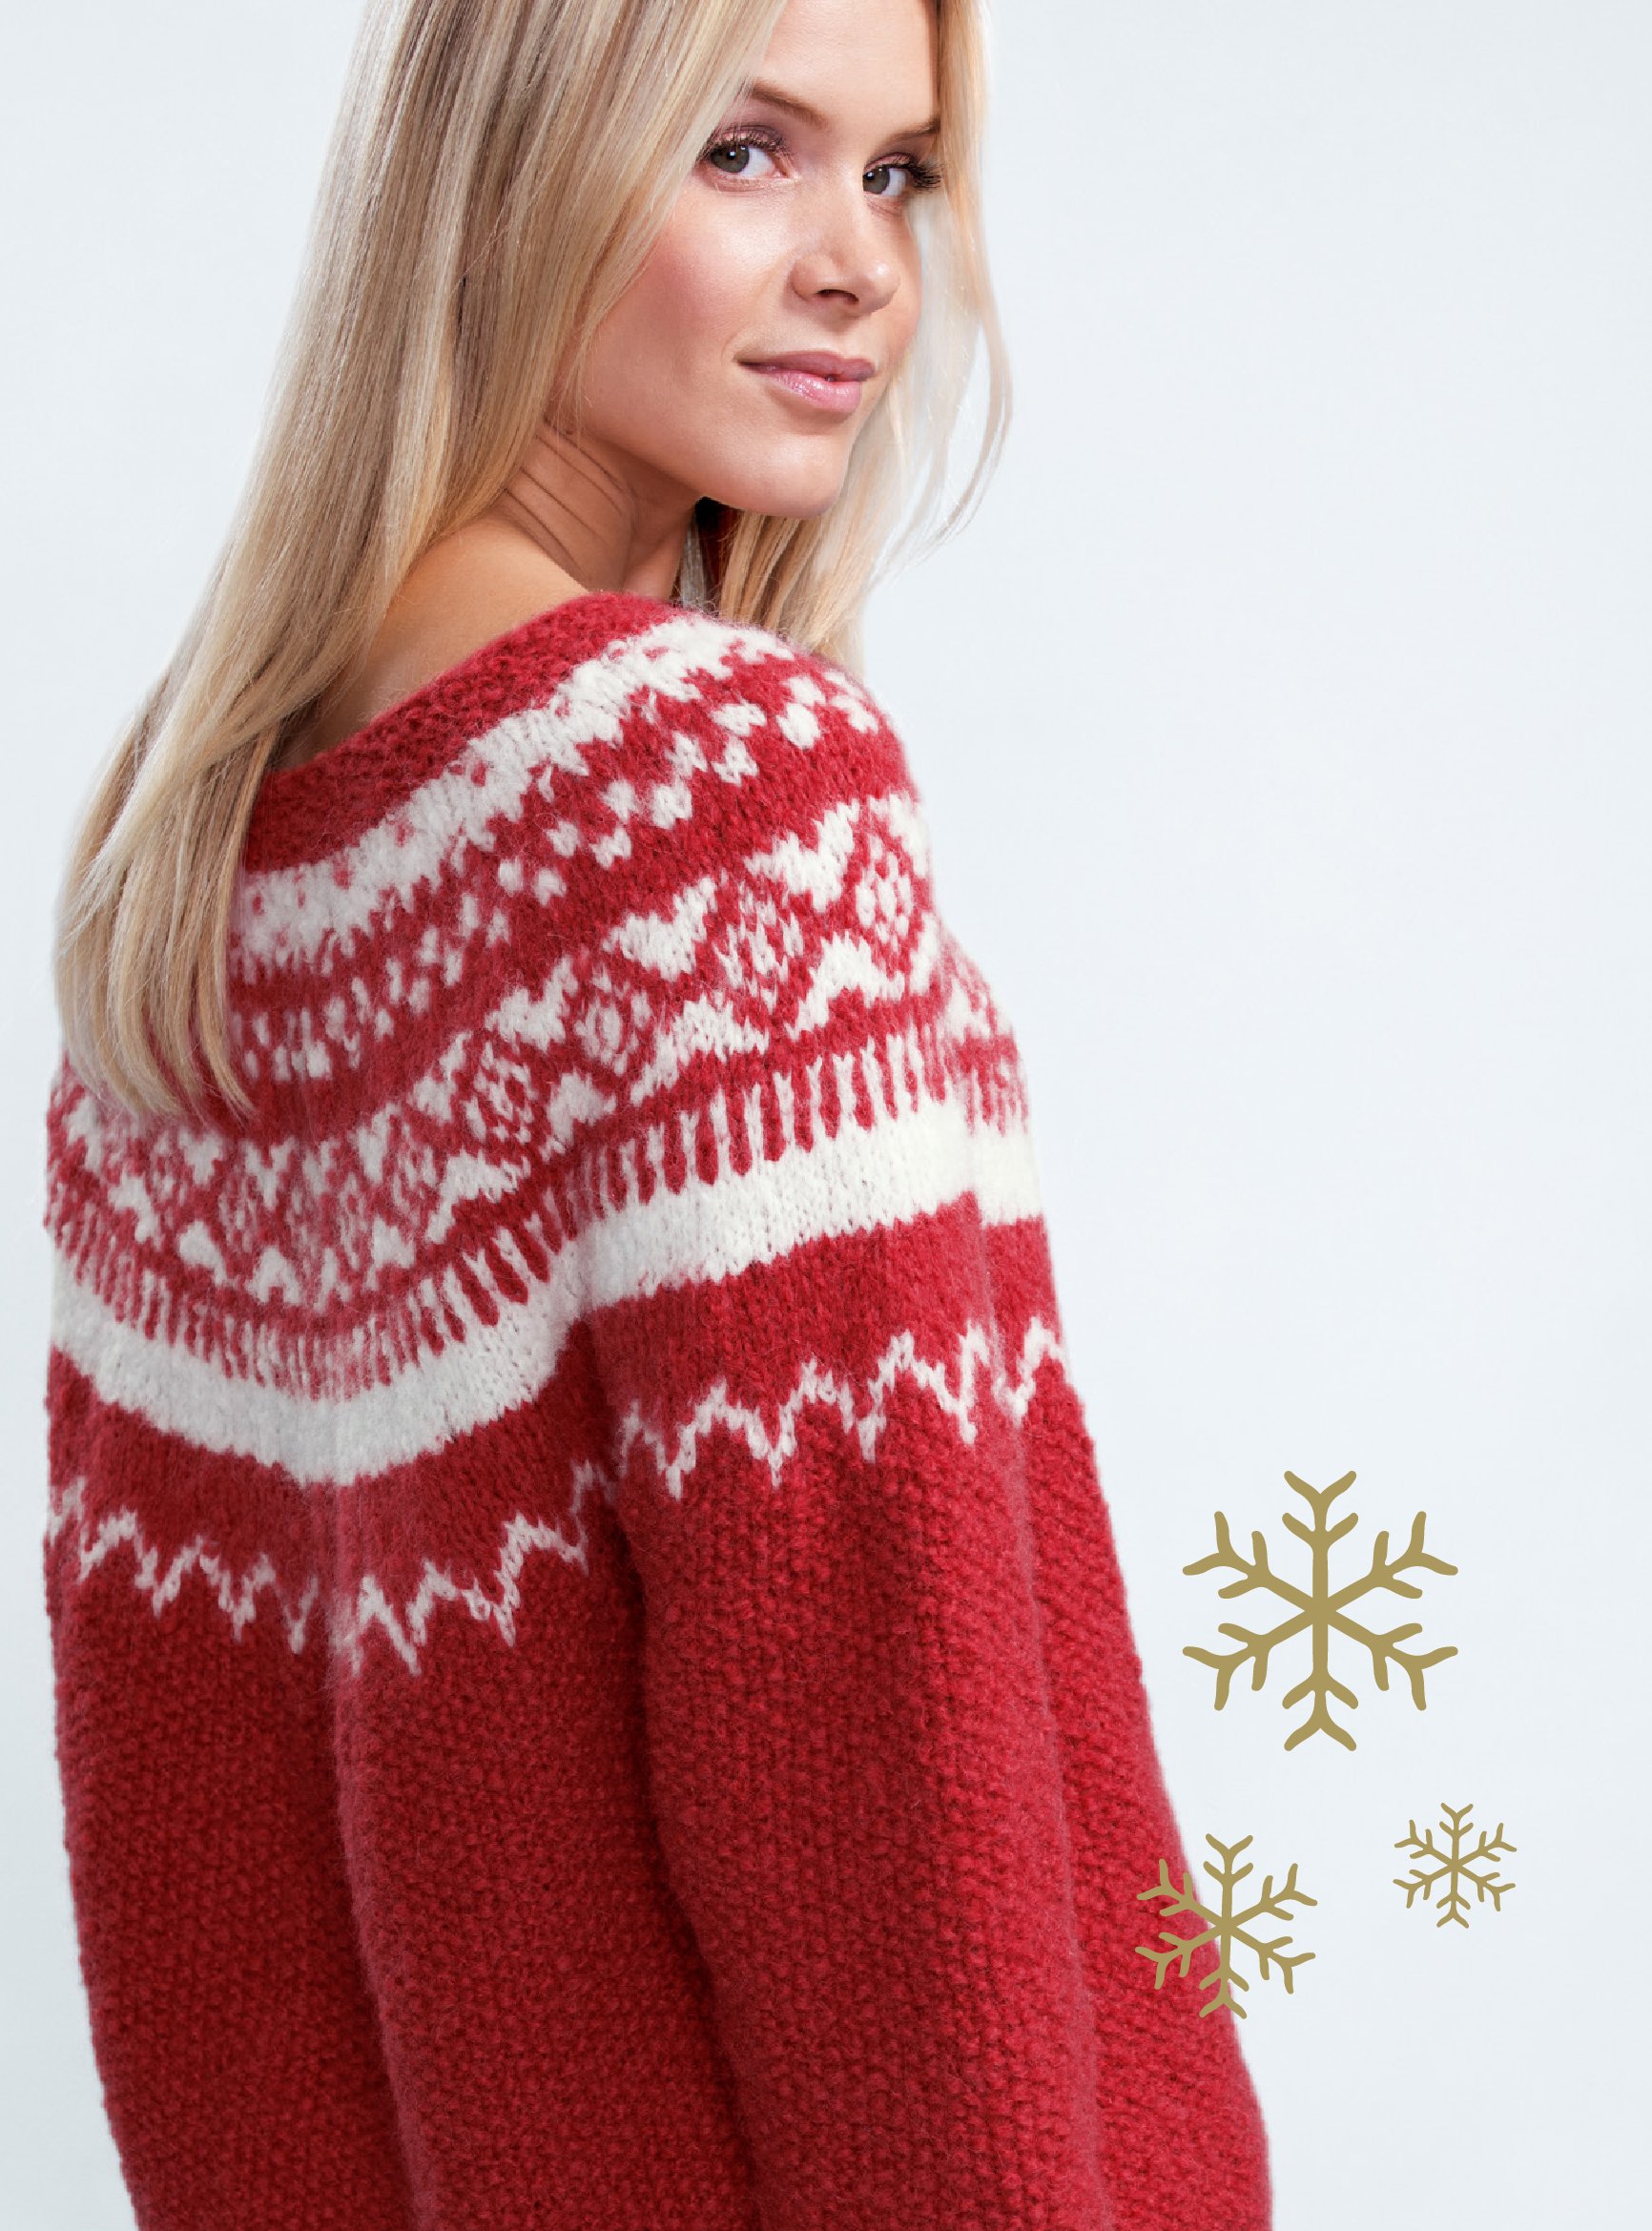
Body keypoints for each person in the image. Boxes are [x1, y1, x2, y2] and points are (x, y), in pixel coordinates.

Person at [42, 0, 1272, 2224]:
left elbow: (187, 1860)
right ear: (506, 172)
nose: (859, 261)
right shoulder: (705, 795)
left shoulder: (198, 874)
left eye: (896, 171)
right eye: (741, 151)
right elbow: (874, 1754)